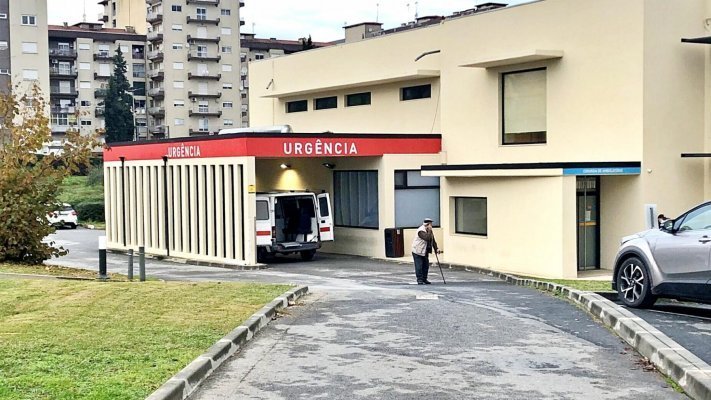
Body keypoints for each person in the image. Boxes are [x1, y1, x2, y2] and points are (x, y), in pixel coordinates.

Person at [412, 217, 438, 285]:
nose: (431, 226)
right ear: (427, 224)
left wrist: (436, 249)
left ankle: (424, 279)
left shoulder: (429, 231)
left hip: (425, 251)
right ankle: (419, 280)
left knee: (426, 266)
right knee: (419, 266)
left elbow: (432, 240)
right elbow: (427, 238)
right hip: (417, 251)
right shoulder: (420, 231)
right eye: (430, 224)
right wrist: (429, 231)